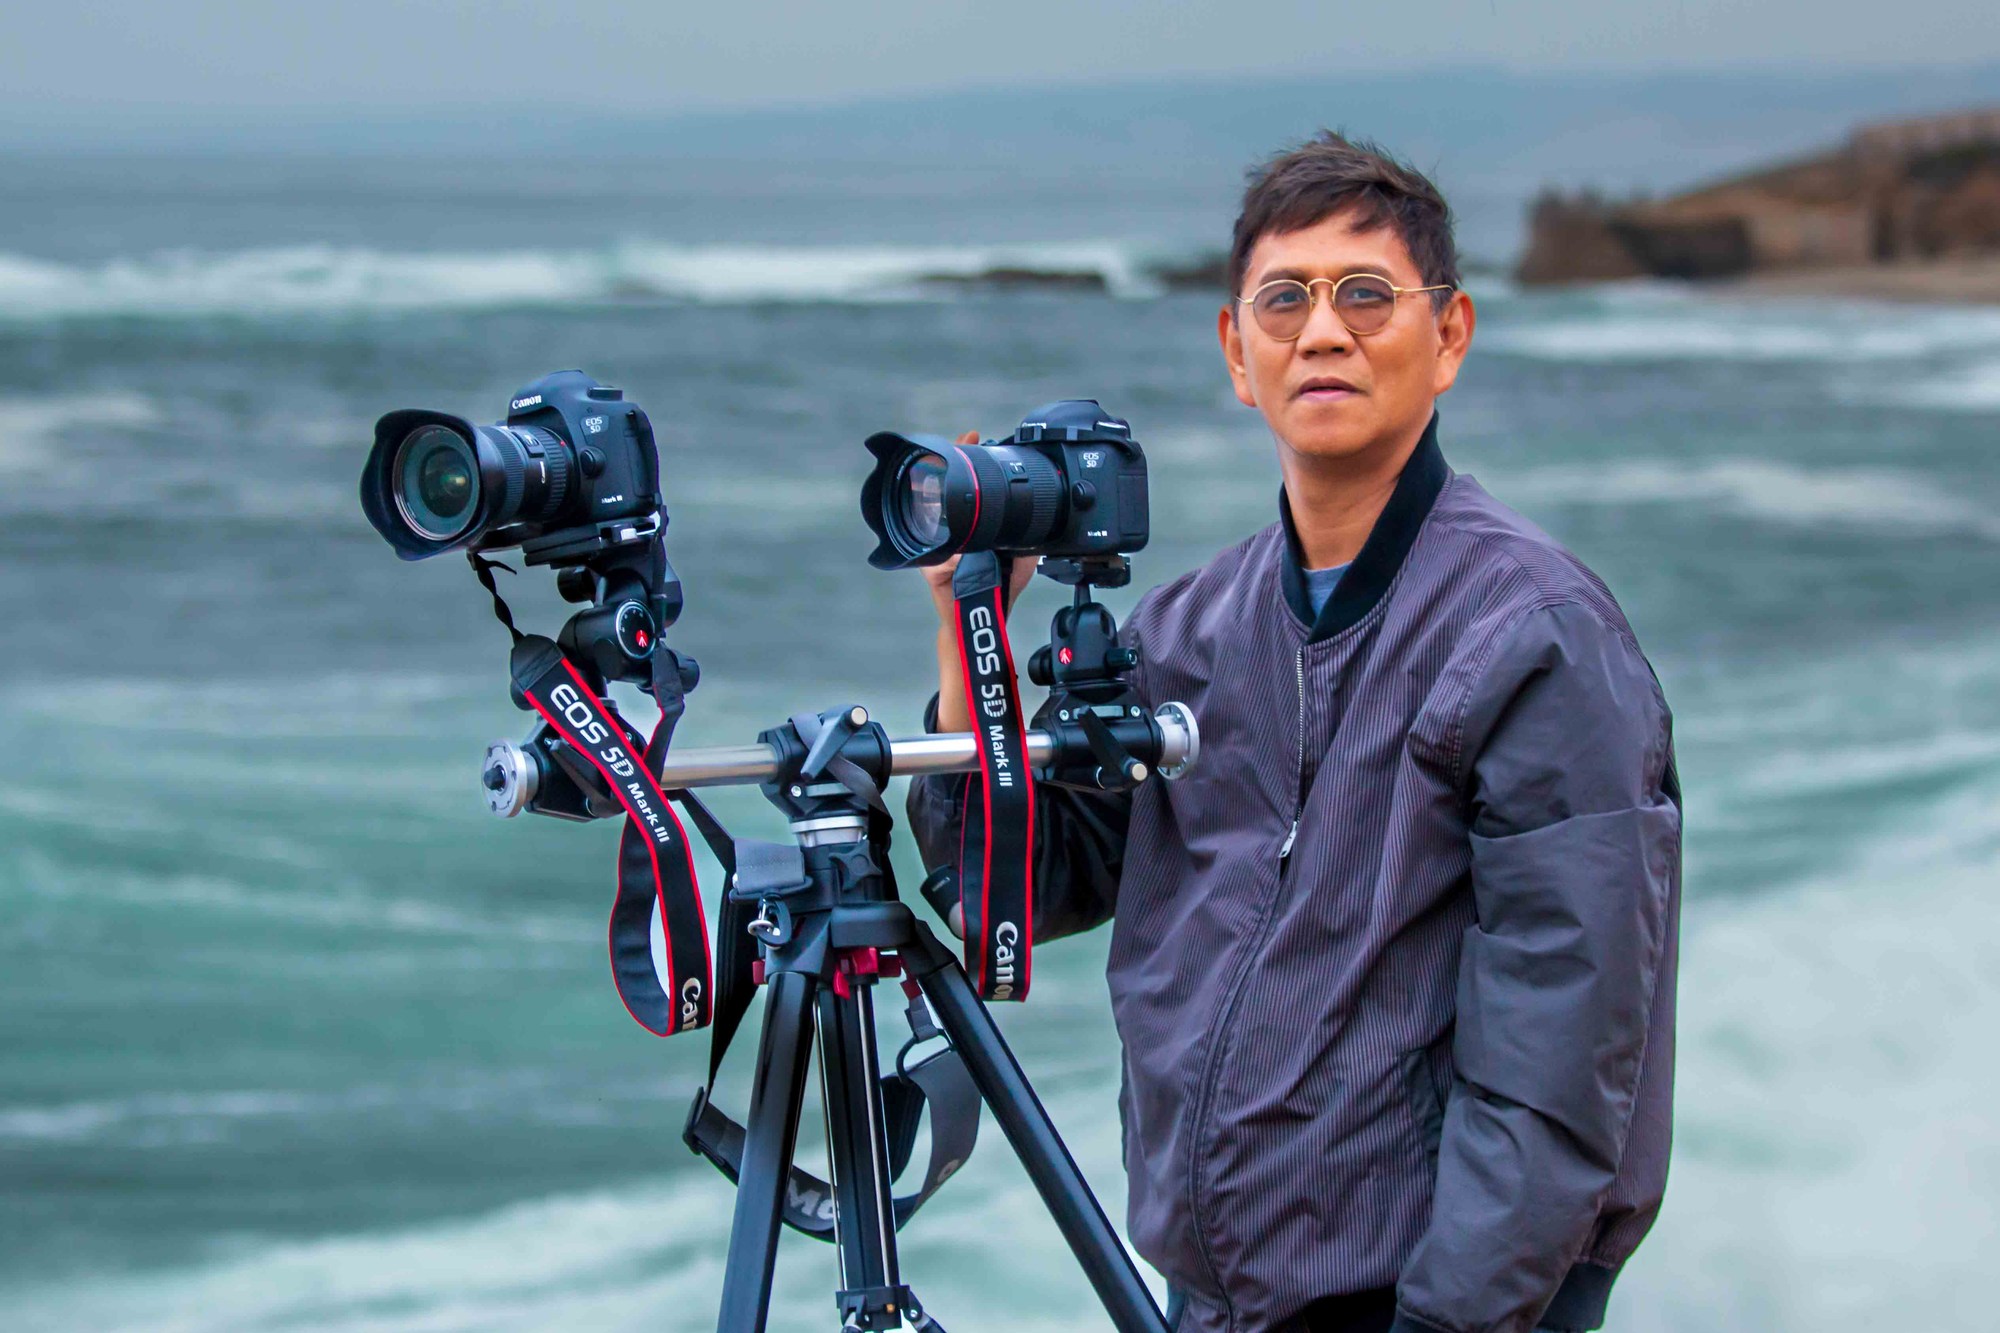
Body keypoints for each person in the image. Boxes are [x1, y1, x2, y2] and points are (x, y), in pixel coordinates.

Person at [906, 133, 1682, 1333]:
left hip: (1432, 1303)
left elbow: (1560, 1060)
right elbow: (1012, 890)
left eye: (1365, 295)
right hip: (1212, 1289)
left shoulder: (1533, 635)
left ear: (1450, 336)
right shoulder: (1187, 630)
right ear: (1235, 351)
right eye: (1285, 299)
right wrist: (973, 630)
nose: (1322, 332)